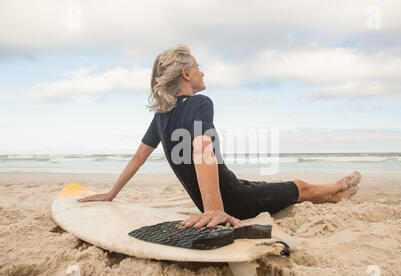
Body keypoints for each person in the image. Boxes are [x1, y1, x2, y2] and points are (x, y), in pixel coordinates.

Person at [77, 44, 361, 229]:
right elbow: (202, 149)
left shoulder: (160, 116)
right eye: (199, 66)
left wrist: (111, 193)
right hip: (233, 201)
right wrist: (215, 210)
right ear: (186, 73)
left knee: (273, 186)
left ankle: (333, 198)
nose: (203, 71)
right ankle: (335, 187)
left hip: (225, 189)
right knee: (299, 186)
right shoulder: (202, 103)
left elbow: (139, 158)